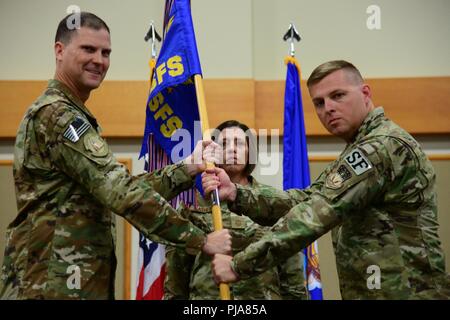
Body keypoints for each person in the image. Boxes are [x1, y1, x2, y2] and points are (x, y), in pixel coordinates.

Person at [0, 12, 231, 300]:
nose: (99, 60)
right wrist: (201, 240)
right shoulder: (57, 115)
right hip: (50, 285)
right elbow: (120, 191)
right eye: (88, 49)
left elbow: (116, 186)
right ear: (59, 50)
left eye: (105, 52)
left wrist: (188, 168)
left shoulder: (73, 114)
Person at [203, 60, 450, 299]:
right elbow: (306, 200)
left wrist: (238, 265)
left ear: (365, 93)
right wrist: (237, 193)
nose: (328, 108)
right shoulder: (357, 150)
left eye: (338, 95)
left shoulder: (380, 148)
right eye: (319, 103)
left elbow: (314, 214)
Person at [164, 120, 307, 300]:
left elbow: (291, 269)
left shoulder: (271, 203)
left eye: (239, 143)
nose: (232, 149)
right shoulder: (191, 203)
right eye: (224, 144)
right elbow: (176, 279)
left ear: (250, 152)